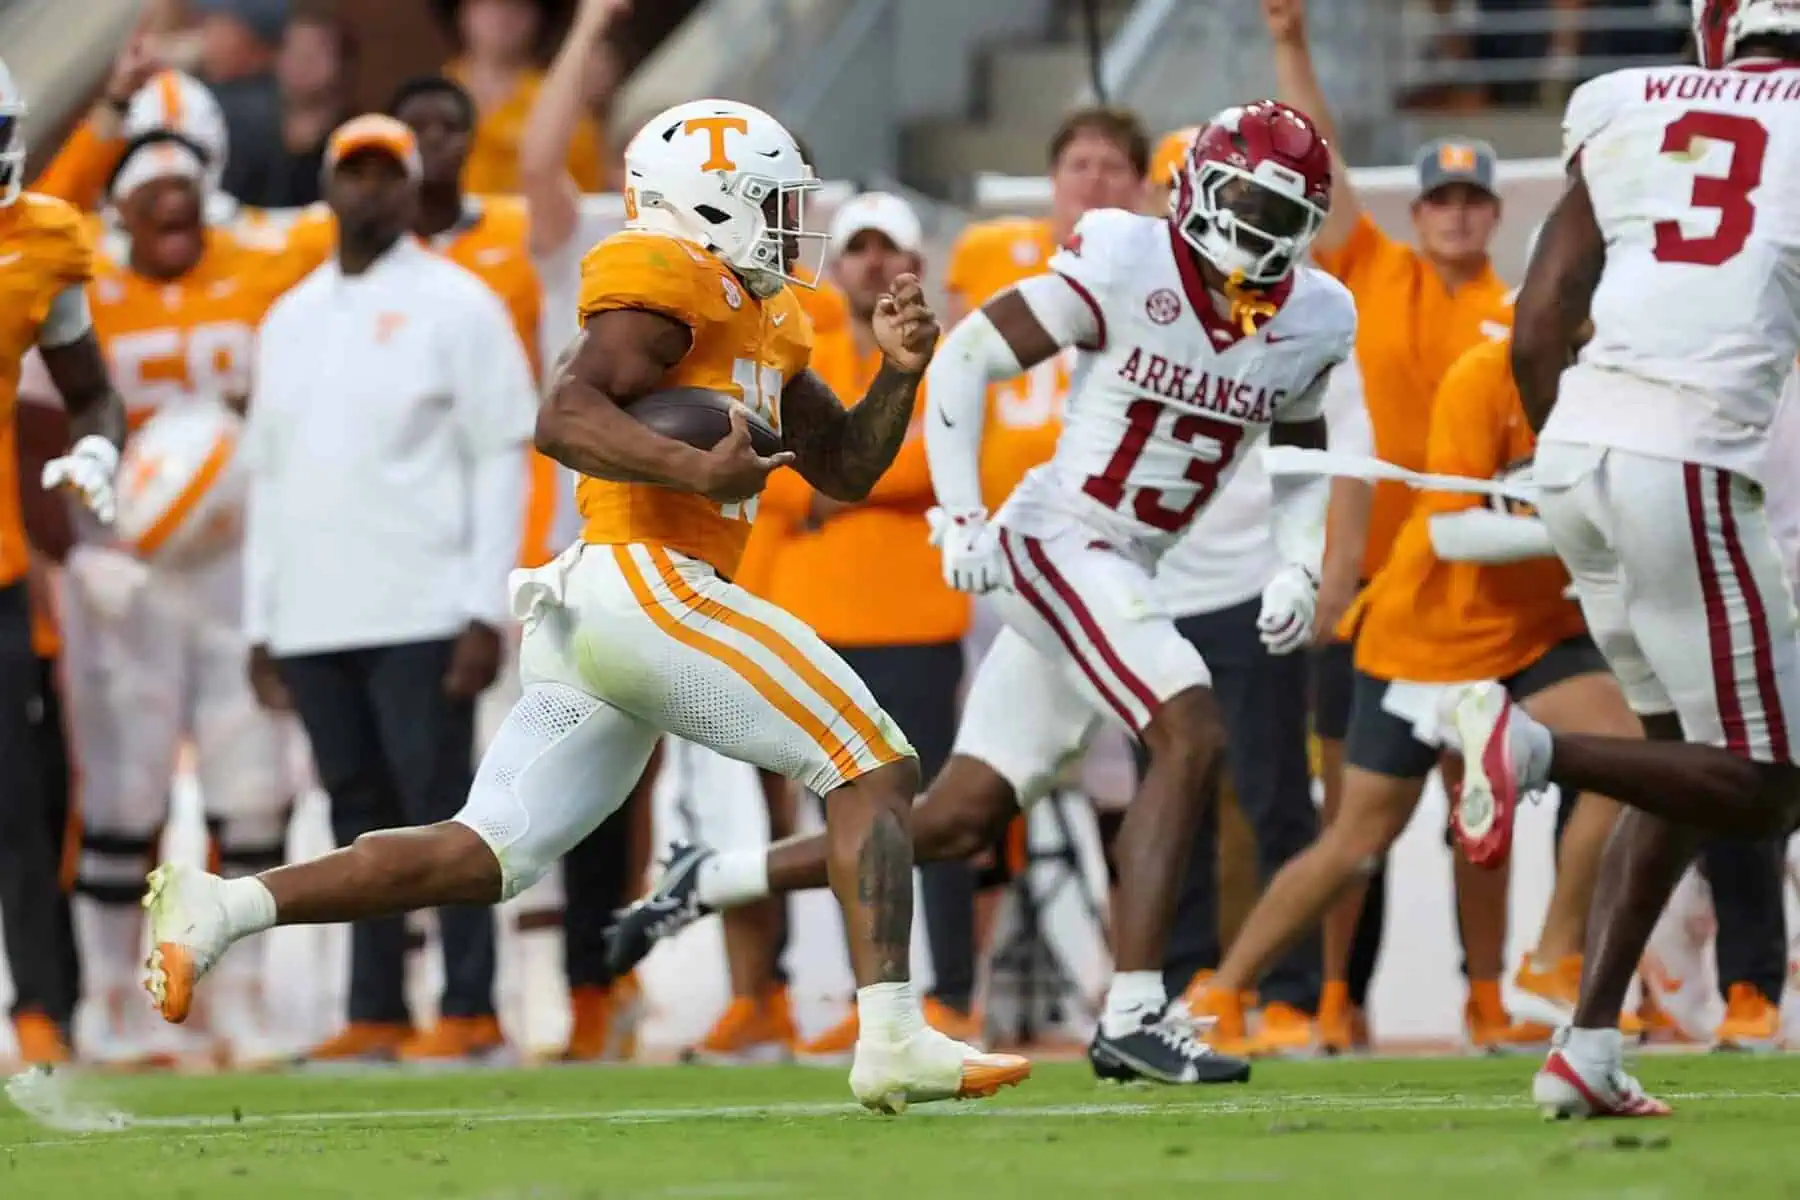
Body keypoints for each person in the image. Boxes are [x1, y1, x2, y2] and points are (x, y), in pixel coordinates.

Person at [141, 98, 1028, 1113]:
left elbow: (847, 470)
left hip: (612, 617)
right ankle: (894, 1036)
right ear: (711, 204)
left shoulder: (769, 314)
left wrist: (899, 377)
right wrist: (689, 466)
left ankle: (225, 907)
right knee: (874, 762)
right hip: (644, 577)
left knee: (483, 854)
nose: (793, 222)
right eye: (774, 203)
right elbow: (562, 416)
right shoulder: (666, 273)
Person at [608, 99, 1357, 1086]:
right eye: (1250, 202)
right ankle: (1137, 1012)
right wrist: (961, 514)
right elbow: (970, 356)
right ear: (1202, 192)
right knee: (1190, 727)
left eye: (1285, 212)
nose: (1265, 230)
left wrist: (1299, 560)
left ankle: (718, 879)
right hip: (1062, 537)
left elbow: (1303, 450)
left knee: (959, 816)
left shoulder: (1314, 314)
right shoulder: (1132, 261)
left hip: (1131, 565)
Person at [1448, 0, 1800, 1117]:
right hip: (1689, 457)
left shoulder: (1627, 102)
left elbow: (1540, 318)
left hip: (1579, 446)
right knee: (1765, 786)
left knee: (1681, 767)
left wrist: (1570, 456)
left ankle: (1587, 1046)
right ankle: (1532, 745)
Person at [1187, 323, 1639, 1053]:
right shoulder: (1482, 377)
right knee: (1357, 841)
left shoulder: (1624, 394)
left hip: (1533, 635)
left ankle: (1552, 958)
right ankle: (1222, 991)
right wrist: (1576, 535)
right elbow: (1454, 534)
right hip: (1427, 635)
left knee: (1631, 749)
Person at [205, 114, 536, 1064]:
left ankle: (471, 1007)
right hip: (314, 612)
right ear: (328, 184)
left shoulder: (458, 303)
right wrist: (263, 624)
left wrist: (485, 605)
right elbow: (268, 476)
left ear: (413, 185)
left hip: (425, 604)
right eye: (353, 172)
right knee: (352, 814)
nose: (368, 190)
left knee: (446, 815)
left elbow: (500, 459)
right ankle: (376, 1009)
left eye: (387, 174)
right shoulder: (290, 316)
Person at [1263, 0, 1520, 1048]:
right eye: (1441, 201)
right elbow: (1317, 175)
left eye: (1471, 201)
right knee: (1350, 819)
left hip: (1471, 593)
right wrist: (1291, 46)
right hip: (1366, 587)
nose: (1456, 216)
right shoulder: (1376, 274)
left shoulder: (1519, 314)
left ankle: (1487, 990)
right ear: (1417, 216)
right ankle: (1334, 996)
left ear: (1493, 214)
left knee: (1480, 812)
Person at [19, 130, 299, 1069]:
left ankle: (242, 1000)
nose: (177, 212)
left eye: (190, 192)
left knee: (252, 791)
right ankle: (111, 1000)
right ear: (122, 211)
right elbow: (30, 429)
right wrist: (69, 554)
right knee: (122, 796)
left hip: (233, 566)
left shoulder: (262, 272)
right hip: (122, 573)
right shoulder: (75, 276)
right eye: (156, 197)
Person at [733, 192, 980, 1059]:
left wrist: (827, 492)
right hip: (818, 621)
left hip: (914, 619)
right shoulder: (798, 355)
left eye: (890, 249)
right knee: (841, 819)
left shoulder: (933, 355)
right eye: (859, 248)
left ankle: (950, 991)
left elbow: (928, 463)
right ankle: (876, 995)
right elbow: (777, 465)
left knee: (925, 813)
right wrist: (840, 479)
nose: (873, 263)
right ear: (836, 264)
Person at [0, 56, 129, 1066]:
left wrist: (97, 444)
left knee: (17, 801)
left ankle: (44, 1010)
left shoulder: (39, 238)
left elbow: (92, 389)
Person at [437, 0, 613, 194]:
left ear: (539, 15)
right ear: (460, 9)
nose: (502, 16)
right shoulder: (429, 98)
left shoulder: (561, 104)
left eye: (518, 5)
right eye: (487, 3)